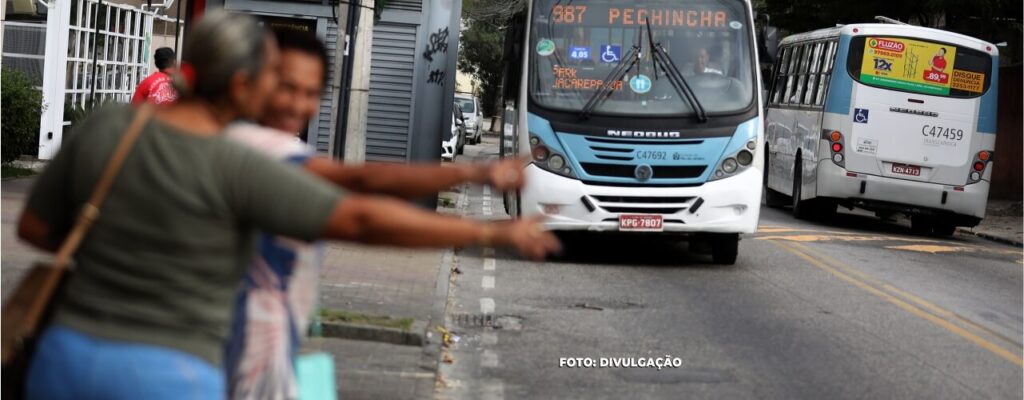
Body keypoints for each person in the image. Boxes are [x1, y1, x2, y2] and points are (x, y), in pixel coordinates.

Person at [18, 12, 559, 399]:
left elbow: (36, 229)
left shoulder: (110, 127)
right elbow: (360, 213)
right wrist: (495, 233)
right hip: (172, 372)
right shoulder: (239, 161)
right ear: (242, 84)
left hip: (62, 357)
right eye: (273, 80)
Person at [223, 28, 529, 398]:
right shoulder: (248, 149)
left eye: (309, 93)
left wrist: (474, 176)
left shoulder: (254, 145)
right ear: (253, 79)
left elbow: (361, 180)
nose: (296, 104)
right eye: (286, 87)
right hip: (231, 362)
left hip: (261, 358)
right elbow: (362, 202)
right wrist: (485, 230)